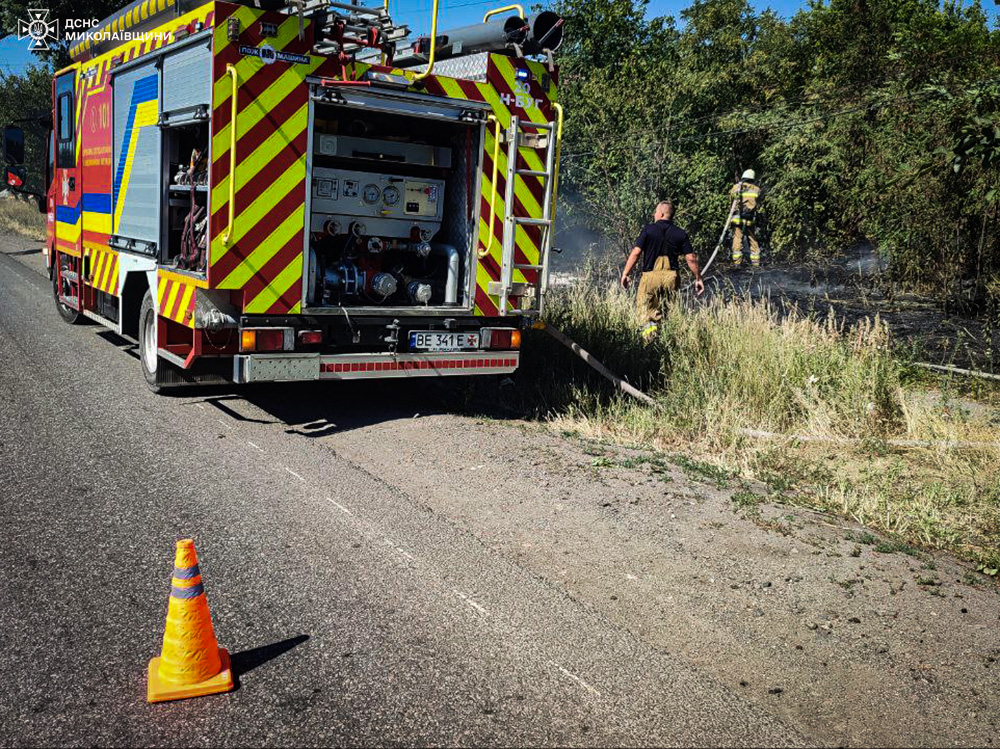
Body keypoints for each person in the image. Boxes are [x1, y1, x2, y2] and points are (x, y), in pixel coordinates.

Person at [620, 200, 704, 341]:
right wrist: (698, 278)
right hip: (672, 277)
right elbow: (691, 258)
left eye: (656, 212)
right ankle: (664, 341)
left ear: (662, 213)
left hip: (650, 277)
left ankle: (650, 344)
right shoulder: (681, 233)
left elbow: (635, 253)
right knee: (666, 313)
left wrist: (625, 273)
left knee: (645, 312)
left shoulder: (648, 230)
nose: (654, 214)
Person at [730, 169, 762, 267]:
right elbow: (758, 202)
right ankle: (756, 263)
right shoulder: (756, 189)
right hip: (750, 218)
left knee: (737, 239)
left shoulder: (736, 187)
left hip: (737, 218)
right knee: (752, 239)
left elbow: (731, 198)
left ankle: (737, 263)